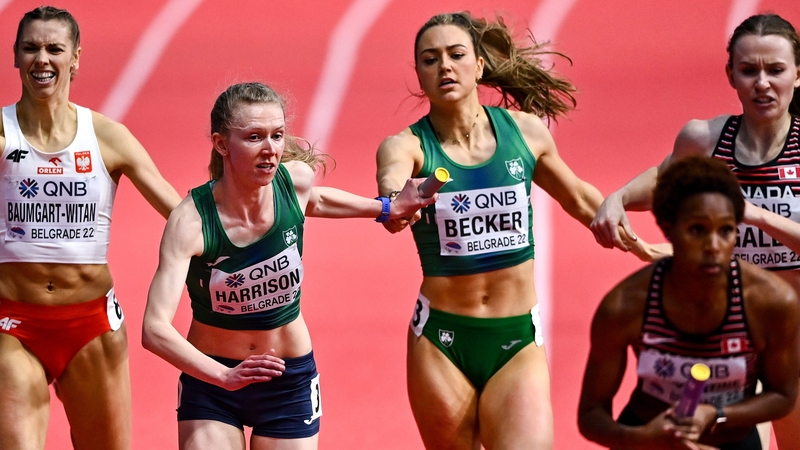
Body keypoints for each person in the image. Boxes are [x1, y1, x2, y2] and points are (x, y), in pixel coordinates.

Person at [374, 11, 662, 449]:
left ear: (480, 65)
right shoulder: (406, 147)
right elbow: (392, 189)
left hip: (516, 338)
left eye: (456, 55)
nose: (444, 67)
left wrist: (642, 248)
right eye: (429, 60)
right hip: (441, 342)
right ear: (418, 73)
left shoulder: (524, 133)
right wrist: (396, 202)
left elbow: (583, 201)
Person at [141, 81, 436, 450]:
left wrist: (386, 208)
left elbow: (317, 200)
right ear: (221, 144)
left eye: (277, 135)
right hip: (213, 381)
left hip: (288, 380)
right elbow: (154, 329)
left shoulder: (293, 181)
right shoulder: (192, 222)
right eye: (253, 137)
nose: (270, 150)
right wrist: (224, 375)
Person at [590, 13, 800, 449]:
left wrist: (760, 217)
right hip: (727, 331)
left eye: (775, 70)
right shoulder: (707, 139)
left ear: (798, 74)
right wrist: (619, 198)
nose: (762, 83)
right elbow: (667, 180)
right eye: (749, 70)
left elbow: (756, 217)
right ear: (731, 75)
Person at [0, 6, 181, 450]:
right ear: (15, 57)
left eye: (54, 49)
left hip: (91, 327)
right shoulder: (4, 133)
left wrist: (240, 242)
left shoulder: (106, 137)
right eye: (31, 48)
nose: (42, 59)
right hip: (12, 324)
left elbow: (181, 215)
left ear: (75, 58)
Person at [579, 155, 800, 450]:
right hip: (647, 436)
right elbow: (592, 413)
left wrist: (714, 414)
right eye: (697, 230)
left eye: (725, 231)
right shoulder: (627, 305)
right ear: (669, 229)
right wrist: (640, 439)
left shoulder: (768, 301)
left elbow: (783, 396)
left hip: (729, 437)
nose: (713, 246)